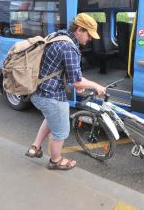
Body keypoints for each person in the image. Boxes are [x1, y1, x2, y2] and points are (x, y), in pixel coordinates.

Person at [25, 13, 107, 170]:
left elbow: (60, 70)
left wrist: (77, 84)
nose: (90, 39)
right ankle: (55, 161)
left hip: (38, 89)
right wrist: (96, 86)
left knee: (51, 118)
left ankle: (35, 147)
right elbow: (76, 80)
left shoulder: (58, 35)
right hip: (51, 95)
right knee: (61, 131)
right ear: (79, 30)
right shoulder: (69, 47)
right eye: (89, 35)